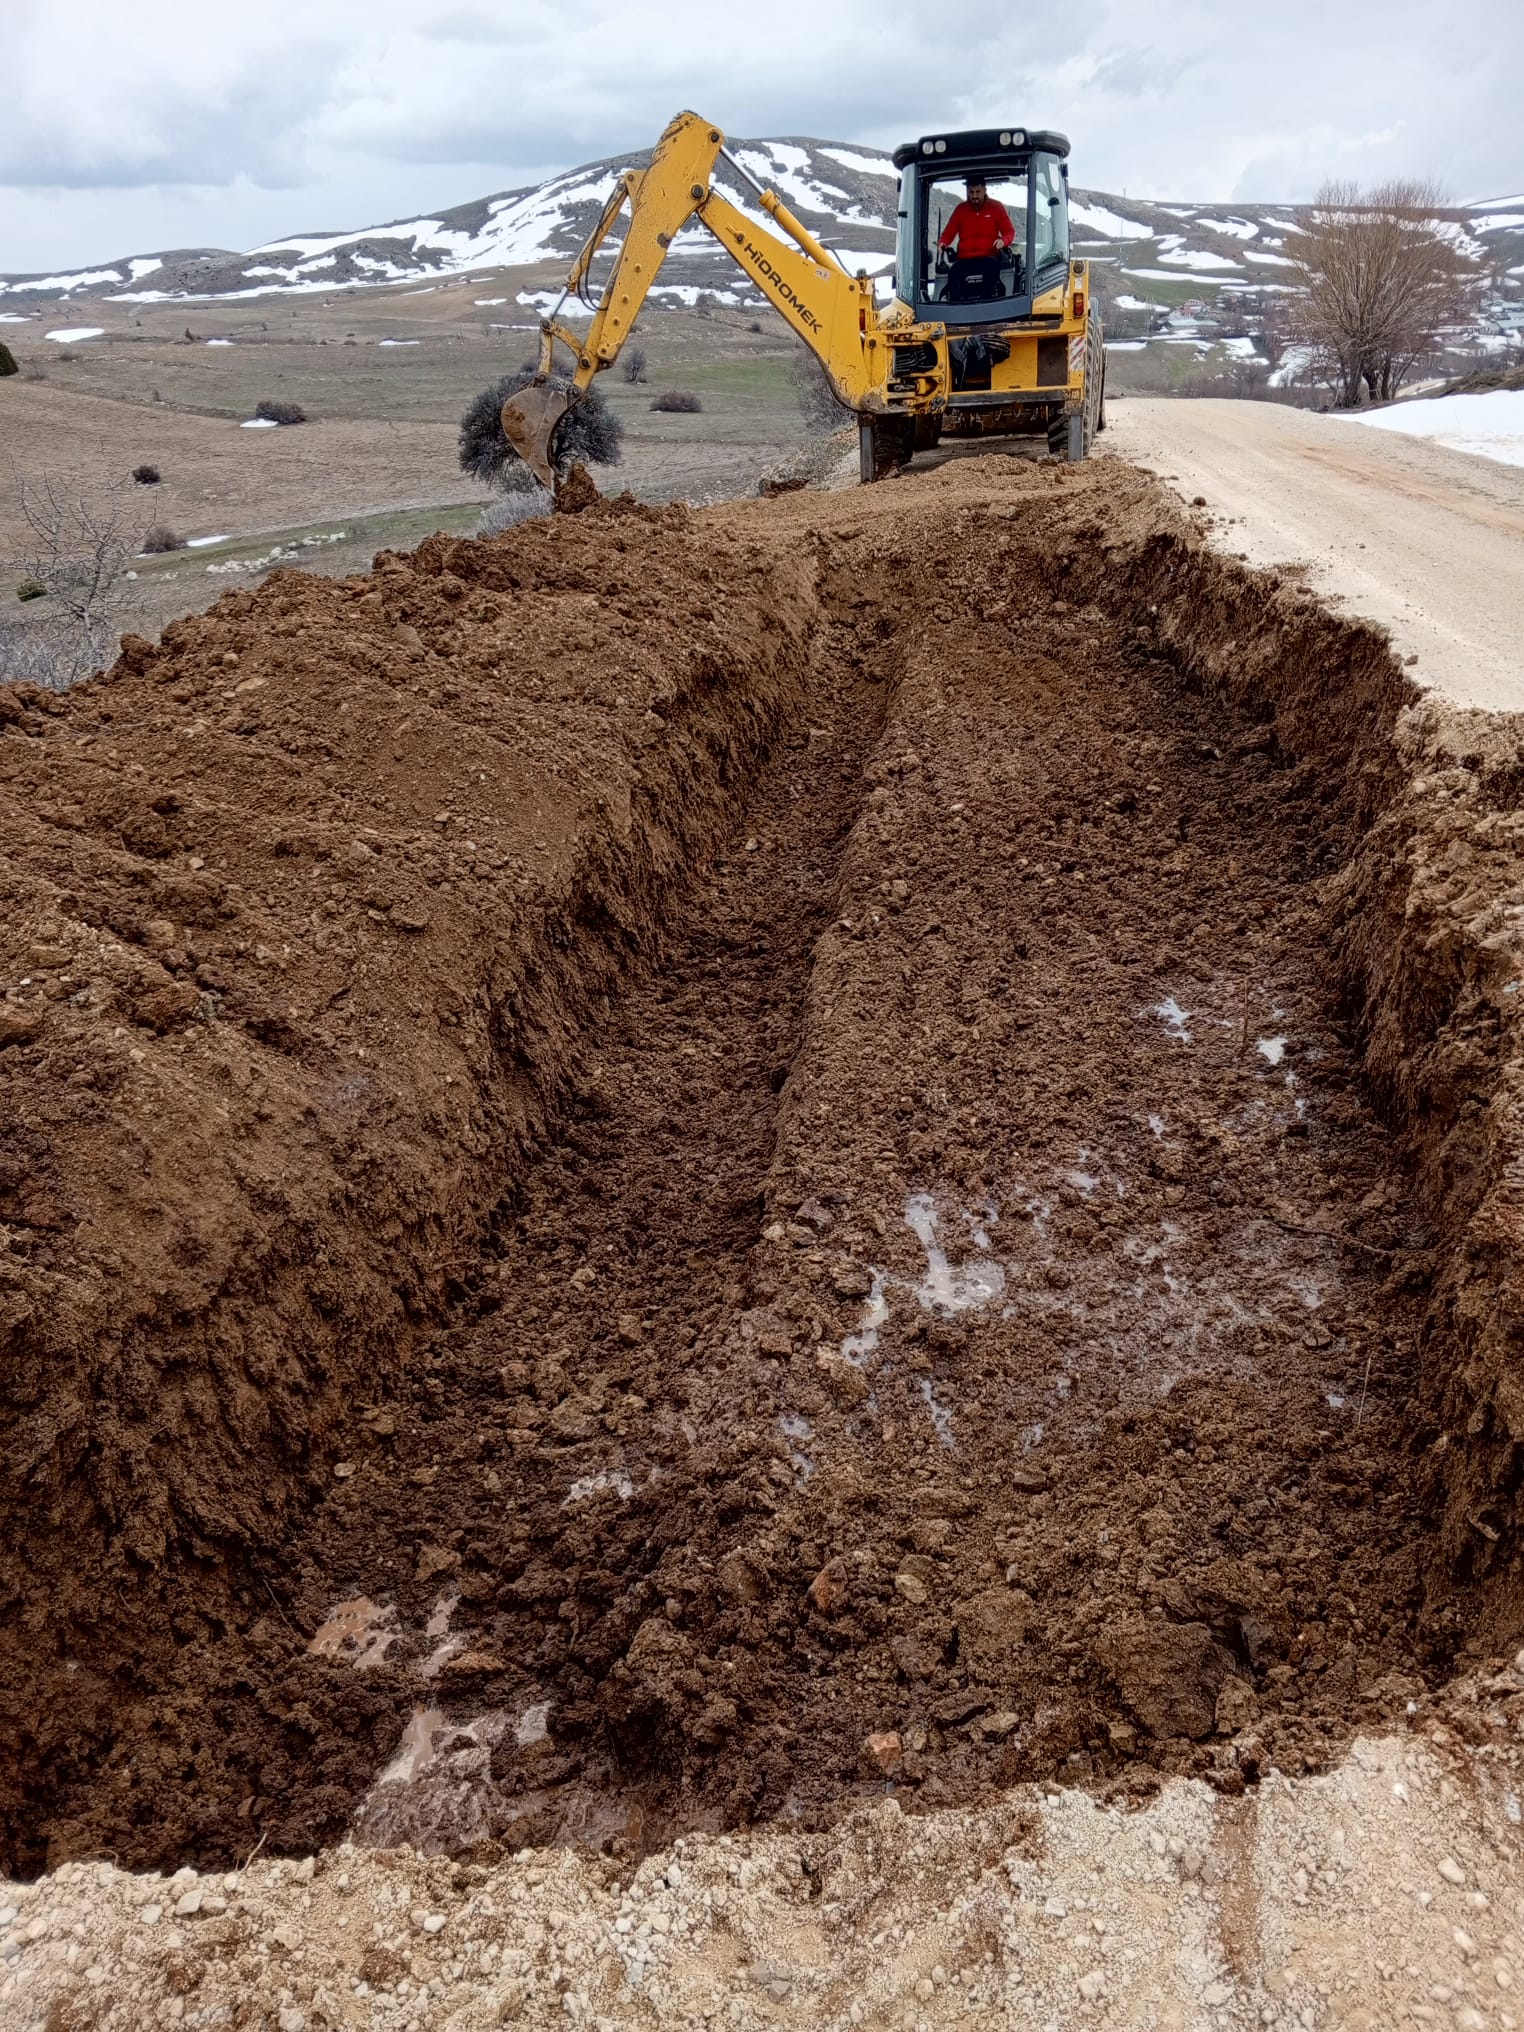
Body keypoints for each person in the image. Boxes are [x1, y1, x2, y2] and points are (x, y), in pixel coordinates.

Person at [939, 178, 1017, 264]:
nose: (974, 196)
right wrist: (943, 243)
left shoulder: (997, 207)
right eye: (971, 192)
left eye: (978, 192)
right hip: (964, 259)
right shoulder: (960, 210)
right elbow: (949, 233)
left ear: (984, 190)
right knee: (954, 271)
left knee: (992, 268)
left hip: (989, 258)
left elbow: (1009, 231)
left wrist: (1003, 241)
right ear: (968, 192)